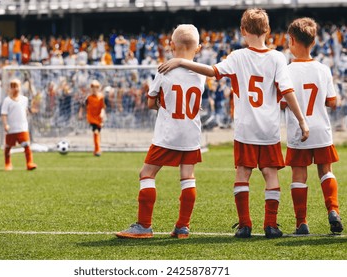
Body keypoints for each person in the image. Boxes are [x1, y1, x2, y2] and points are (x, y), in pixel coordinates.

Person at [158, 8, 309, 238]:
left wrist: (181, 61)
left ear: (242, 31)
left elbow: (211, 71)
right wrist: (301, 120)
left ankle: (245, 224)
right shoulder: (278, 57)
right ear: (267, 30)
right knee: (271, 175)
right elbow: (287, 92)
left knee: (242, 174)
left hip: (245, 129)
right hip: (269, 129)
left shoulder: (238, 56)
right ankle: (270, 224)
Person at [116, 24, 205, 239]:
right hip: (191, 134)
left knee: (146, 174)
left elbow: (150, 103)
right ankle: (183, 227)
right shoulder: (202, 74)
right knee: (187, 177)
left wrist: (162, 106)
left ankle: (144, 226)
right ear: (199, 48)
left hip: (168, 134)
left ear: (171, 45)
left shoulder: (164, 70)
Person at [281, 17, 343, 234]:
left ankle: (302, 223)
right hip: (321, 129)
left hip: (299, 129)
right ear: (314, 42)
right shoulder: (323, 69)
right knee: (326, 171)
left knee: (299, 175)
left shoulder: (286, 71)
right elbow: (332, 102)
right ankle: (333, 210)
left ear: (291, 41)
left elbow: (282, 102)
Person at [1, 78, 37, 171]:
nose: (15, 88)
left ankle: (29, 163)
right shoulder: (7, 101)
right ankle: (7, 163)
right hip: (12, 127)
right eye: (13, 87)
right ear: (10, 88)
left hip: (22, 127)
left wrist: (32, 110)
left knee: (26, 145)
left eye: (16, 86)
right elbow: (4, 114)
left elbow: (25, 111)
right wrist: (5, 124)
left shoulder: (24, 99)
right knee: (8, 146)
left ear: (20, 87)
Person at [78, 79, 106, 157]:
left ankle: (96, 149)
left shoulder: (101, 97)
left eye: (96, 87)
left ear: (98, 88)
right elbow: (83, 105)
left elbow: (103, 107)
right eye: (92, 87)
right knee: (96, 132)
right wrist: (80, 113)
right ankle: (98, 150)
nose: (94, 89)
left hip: (99, 118)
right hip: (91, 118)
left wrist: (102, 114)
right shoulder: (89, 98)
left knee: (97, 133)